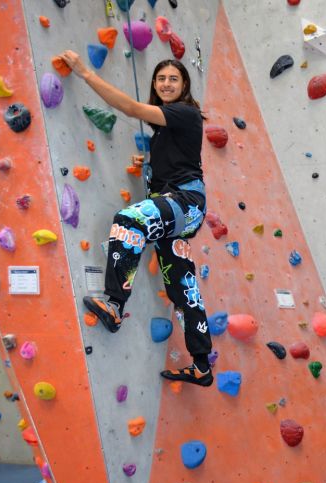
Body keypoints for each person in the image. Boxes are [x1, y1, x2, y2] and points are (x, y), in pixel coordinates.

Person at [60, 51, 214, 387]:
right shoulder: (166, 129)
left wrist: (85, 73)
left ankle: (115, 304)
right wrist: (148, 165)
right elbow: (174, 162)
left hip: (185, 202)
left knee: (129, 220)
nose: (166, 83)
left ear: (184, 85)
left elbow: (130, 108)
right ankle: (202, 365)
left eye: (173, 79)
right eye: (161, 79)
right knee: (182, 287)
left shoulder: (186, 113)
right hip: (178, 209)